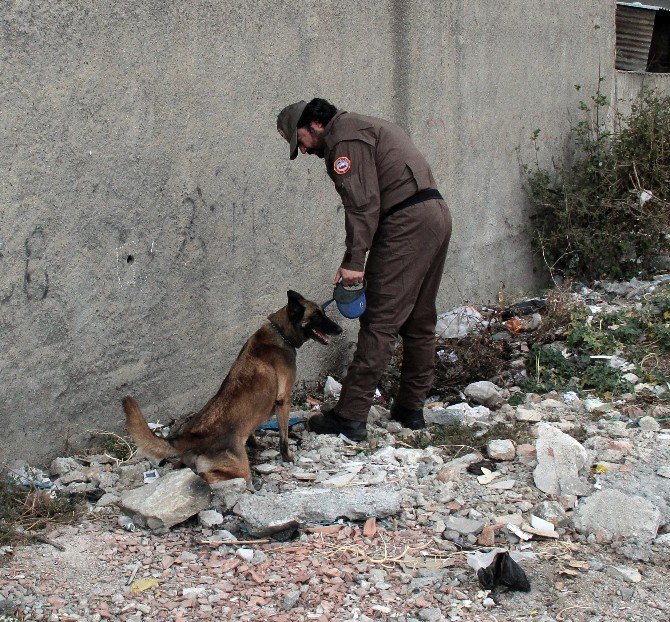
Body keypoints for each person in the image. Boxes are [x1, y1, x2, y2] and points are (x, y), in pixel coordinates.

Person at [276, 98, 452, 441]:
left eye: (301, 141)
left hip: (406, 222)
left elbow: (362, 204)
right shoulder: (364, 125)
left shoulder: (344, 142)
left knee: (380, 322)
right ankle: (410, 408)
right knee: (419, 320)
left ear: (313, 124)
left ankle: (350, 416)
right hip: (434, 214)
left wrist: (354, 263)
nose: (306, 151)